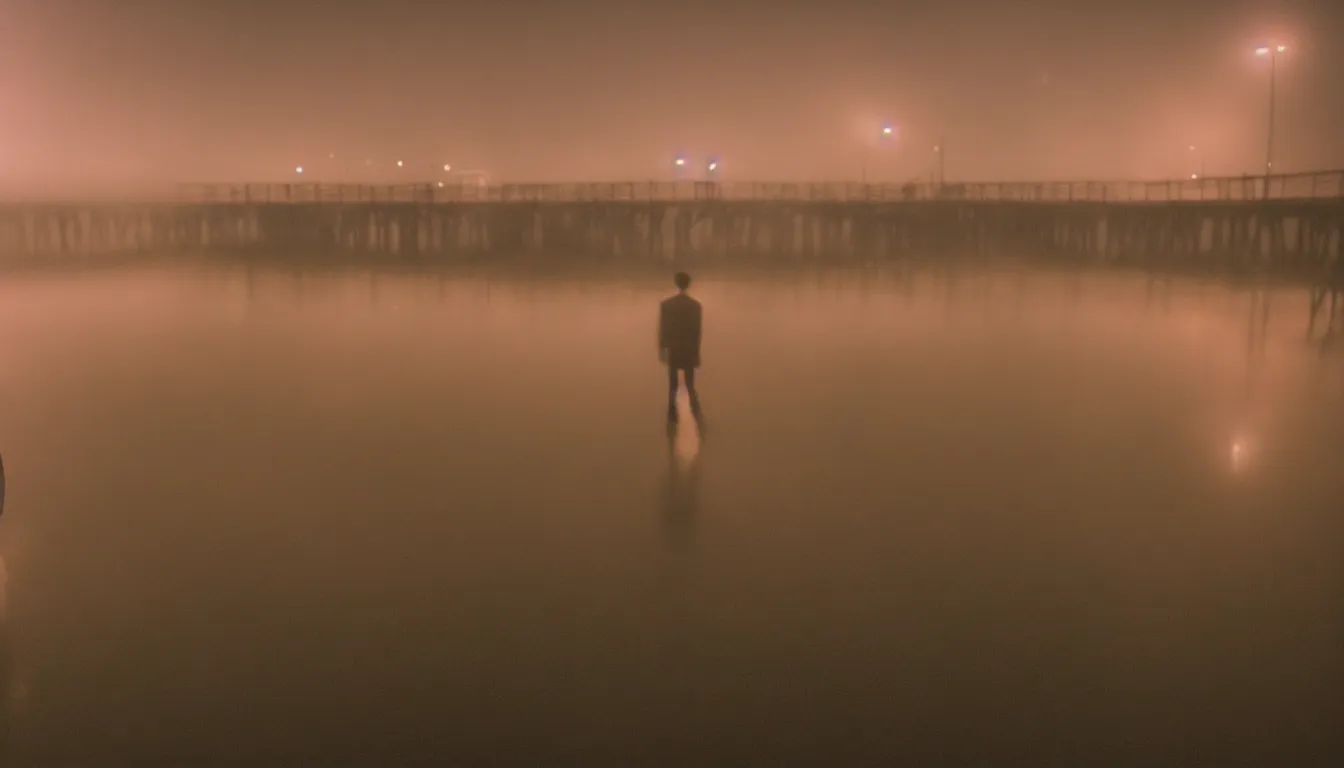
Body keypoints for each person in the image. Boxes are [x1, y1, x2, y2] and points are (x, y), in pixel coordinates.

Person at [658, 272, 703, 424]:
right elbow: (697, 332)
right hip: (689, 349)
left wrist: (662, 349)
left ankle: (672, 417)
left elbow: (663, 329)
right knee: (690, 385)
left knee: (673, 385)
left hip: (674, 349)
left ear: (676, 283)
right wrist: (697, 353)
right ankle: (697, 417)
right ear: (688, 284)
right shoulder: (695, 306)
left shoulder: (666, 305)